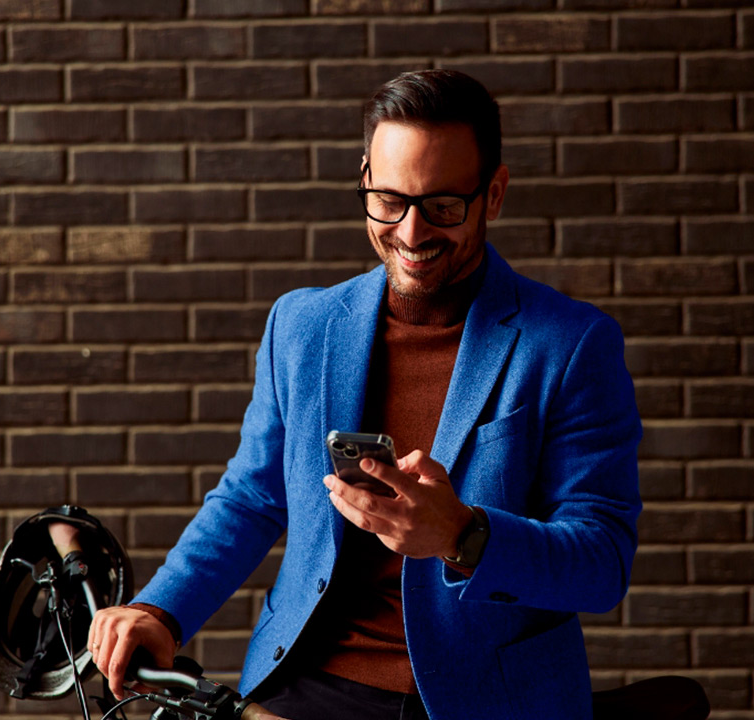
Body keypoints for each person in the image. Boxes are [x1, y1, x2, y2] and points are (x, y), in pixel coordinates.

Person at [86, 69, 641, 720]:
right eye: (388, 200)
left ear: (493, 194)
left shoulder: (572, 345)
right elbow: (252, 497)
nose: (410, 234)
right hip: (307, 683)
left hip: (482, 699)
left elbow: (601, 562)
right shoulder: (302, 325)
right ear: (365, 181)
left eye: (442, 206)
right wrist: (162, 610)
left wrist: (463, 535)